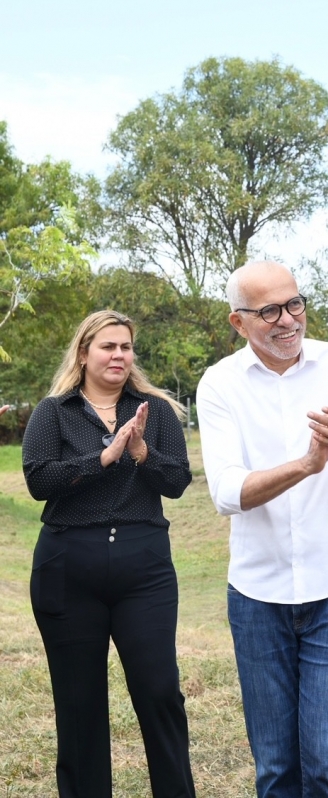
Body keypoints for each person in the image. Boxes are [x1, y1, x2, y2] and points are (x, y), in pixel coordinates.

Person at [197, 260, 328, 798]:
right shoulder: (219, 383)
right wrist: (307, 465)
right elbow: (226, 493)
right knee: (276, 767)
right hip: (257, 592)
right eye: (269, 311)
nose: (288, 320)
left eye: (295, 304)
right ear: (239, 323)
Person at [22, 309, 197, 798]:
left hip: (144, 569)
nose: (119, 355)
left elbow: (177, 482)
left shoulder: (155, 411)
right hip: (67, 570)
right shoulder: (52, 412)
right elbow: (39, 481)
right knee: (79, 706)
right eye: (107, 346)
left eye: (125, 346)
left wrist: (140, 452)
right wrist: (104, 457)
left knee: (159, 690)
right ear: (84, 353)